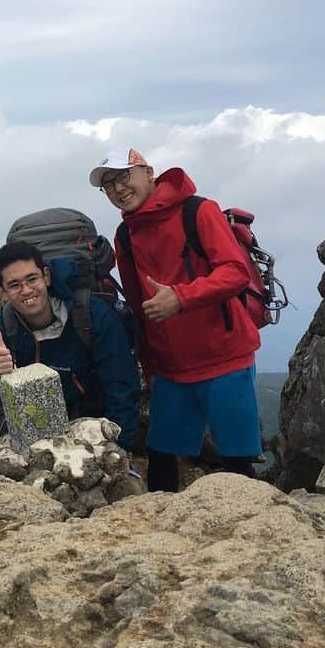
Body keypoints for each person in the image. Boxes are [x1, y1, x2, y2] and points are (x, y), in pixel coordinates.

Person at [90, 148, 261, 492]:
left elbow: (235, 272)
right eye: (108, 185)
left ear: (149, 172)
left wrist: (181, 298)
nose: (118, 189)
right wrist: (151, 363)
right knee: (162, 458)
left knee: (237, 463)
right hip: (171, 368)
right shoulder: (126, 235)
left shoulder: (198, 211)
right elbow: (140, 307)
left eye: (124, 177)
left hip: (225, 358)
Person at [0, 241, 140, 448]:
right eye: (14, 285)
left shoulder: (90, 315)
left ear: (46, 277)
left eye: (32, 279)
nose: (26, 290)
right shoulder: (2, 328)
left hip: (95, 428)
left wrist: (120, 449)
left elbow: (120, 384)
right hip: (34, 435)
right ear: (2, 292)